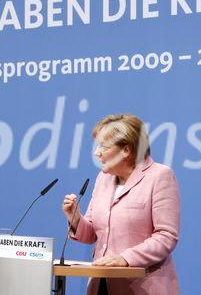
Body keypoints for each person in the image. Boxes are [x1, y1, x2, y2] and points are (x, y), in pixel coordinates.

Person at [62, 114, 180, 295]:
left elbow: (166, 236)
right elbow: (93, 234)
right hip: (101, 285)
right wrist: (76, 218)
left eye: (103, 146)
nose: (97, 153)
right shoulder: (104, 178)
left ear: (126, 150)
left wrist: (125, 258)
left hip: (143, 287)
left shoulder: (159, 176)